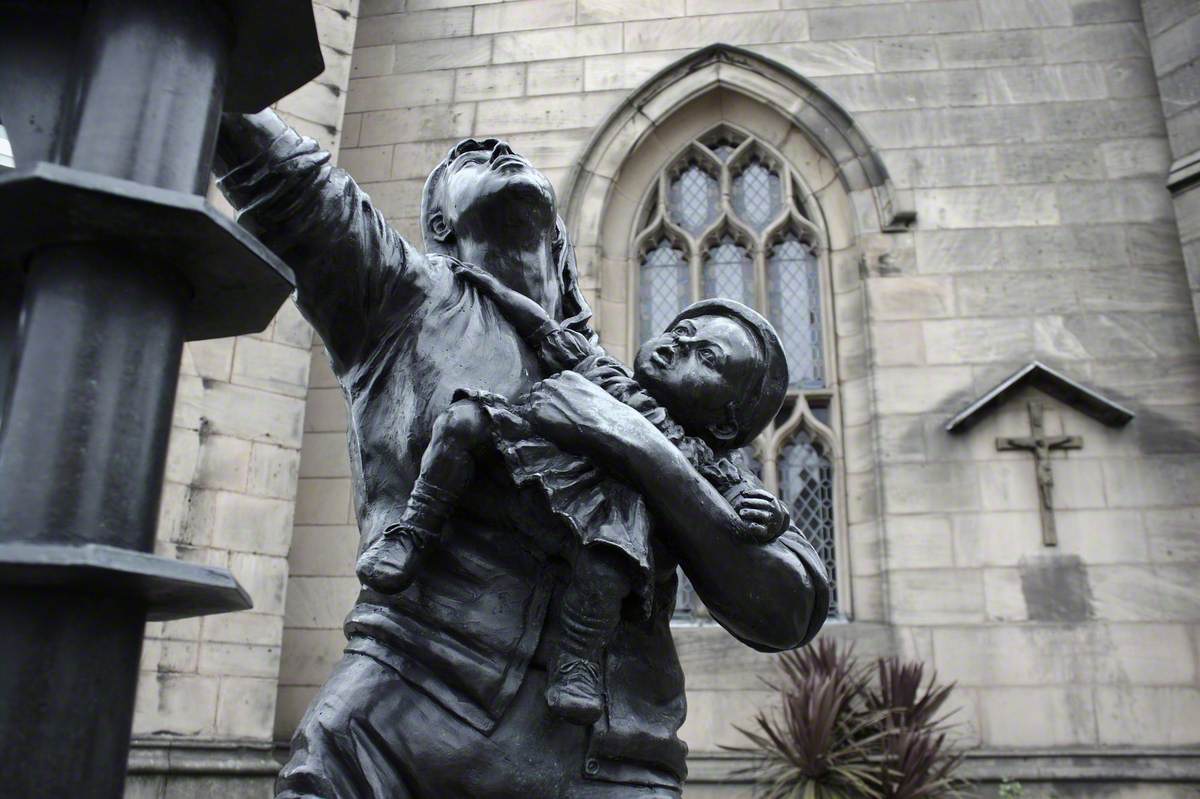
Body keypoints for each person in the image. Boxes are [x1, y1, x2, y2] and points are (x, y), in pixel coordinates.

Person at [215, 111, 830, 798]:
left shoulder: (646, 401)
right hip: (397, 721)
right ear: (443, 227)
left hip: (611, 753)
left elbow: (789, 604)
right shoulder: (401, 296)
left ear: (560, 243)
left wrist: (639, 447)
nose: (498, 149)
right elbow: (295, 187)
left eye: (503, 147)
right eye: (473, 155)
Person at [357, 258, 794, 724]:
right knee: (463, 421)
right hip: (544, 472)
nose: (675, 346)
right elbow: (543, 328)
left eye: (704, 358)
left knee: (611, 560)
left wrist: (771, 516)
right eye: (681, 334)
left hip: (606, 517)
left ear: (725, 422)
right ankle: (413, 531)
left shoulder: (698, 455)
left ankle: (578, 659)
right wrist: (487, 283)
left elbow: (745, 506)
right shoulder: (606, 373)